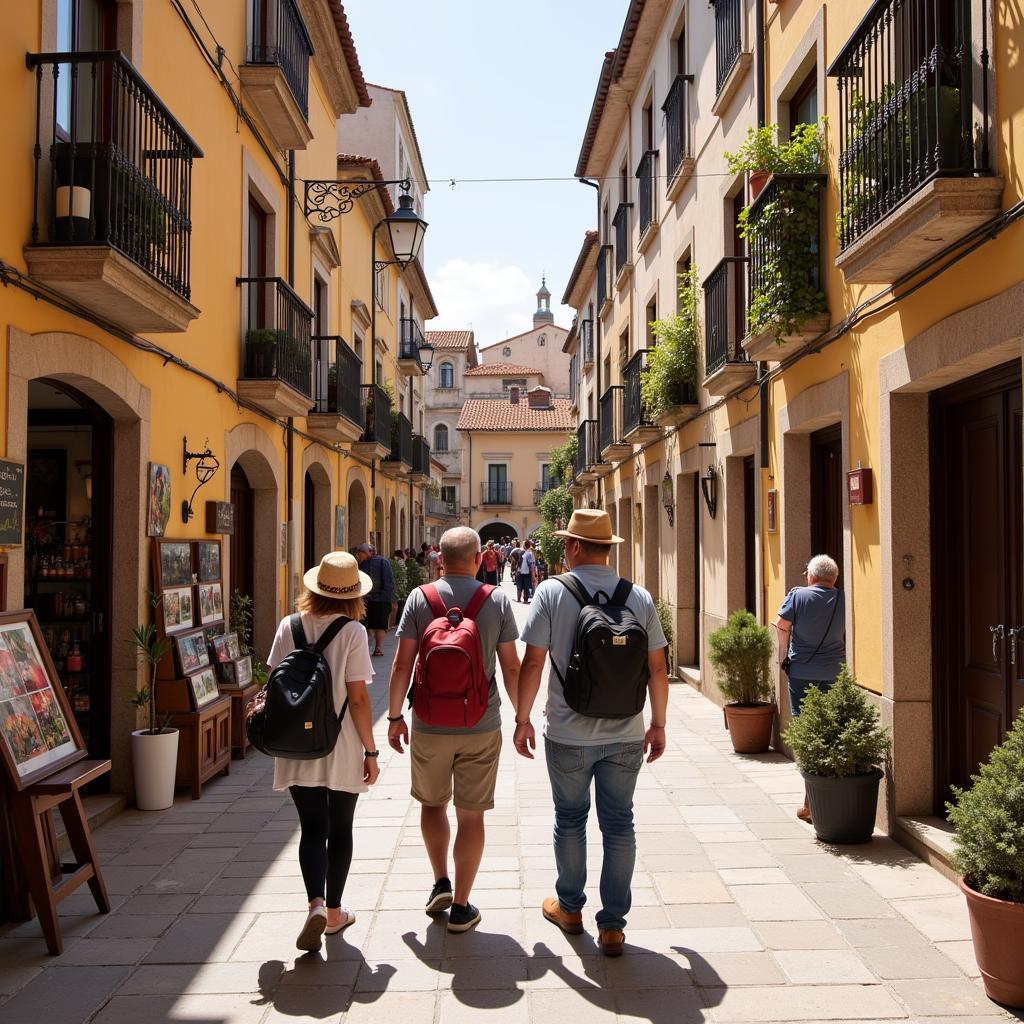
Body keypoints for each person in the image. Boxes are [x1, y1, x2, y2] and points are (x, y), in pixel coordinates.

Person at [512, 509, 669, 957]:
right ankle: (614, 925)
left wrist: (523, 719)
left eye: (566, 541)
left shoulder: (550, 592)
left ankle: (570, 908)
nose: (563, 548)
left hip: (568, 732)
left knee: (571, 818)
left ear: (577, 546)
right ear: (608, 548)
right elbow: (657, 666)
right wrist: (657, 722)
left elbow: (534, 662)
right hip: (625, 732)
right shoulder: (637, 596)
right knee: (620, 823)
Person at [386, 526, 521, 934]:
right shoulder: (495, 599)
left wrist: (394, 718)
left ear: (439, 560)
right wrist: (523, 718)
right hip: (482, 722)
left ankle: (439, 882)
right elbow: (512, 666)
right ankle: (461, 906)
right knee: (472, 816)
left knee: (432, 805)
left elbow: (400, 665)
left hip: (429, 723)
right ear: (480, 559)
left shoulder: (418, 598)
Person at [267, 551, 380, 952]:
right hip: (342, 742)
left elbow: (275, 684)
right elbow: (360, 698)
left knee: (312, 827)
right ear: (353, 595)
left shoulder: (288, 626)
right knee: (341, 827)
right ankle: (334, 912)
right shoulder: (353, 633)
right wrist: (371, 751)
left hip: (297, 743)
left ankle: (315, 902)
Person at [775, 553, 846, 823]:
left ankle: (810, 802)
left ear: (811, 576)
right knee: (830, 731)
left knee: (807, 732)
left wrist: (782, 656)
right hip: (834, 674)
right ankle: (820, 799)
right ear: (835, 578)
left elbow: (782, 626)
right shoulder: (844, 599)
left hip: (802, 675)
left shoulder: (797, 596)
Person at [356, 544, 396, 657]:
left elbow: (388, 582)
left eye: (359, 554)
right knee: (377, 624)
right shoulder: (365, 564)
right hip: (376, 599)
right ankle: (375, 647)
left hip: (376, 599)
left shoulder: (379, 562)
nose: (358, 556)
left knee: (376, 624)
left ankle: (377, 647)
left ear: (366, 552)